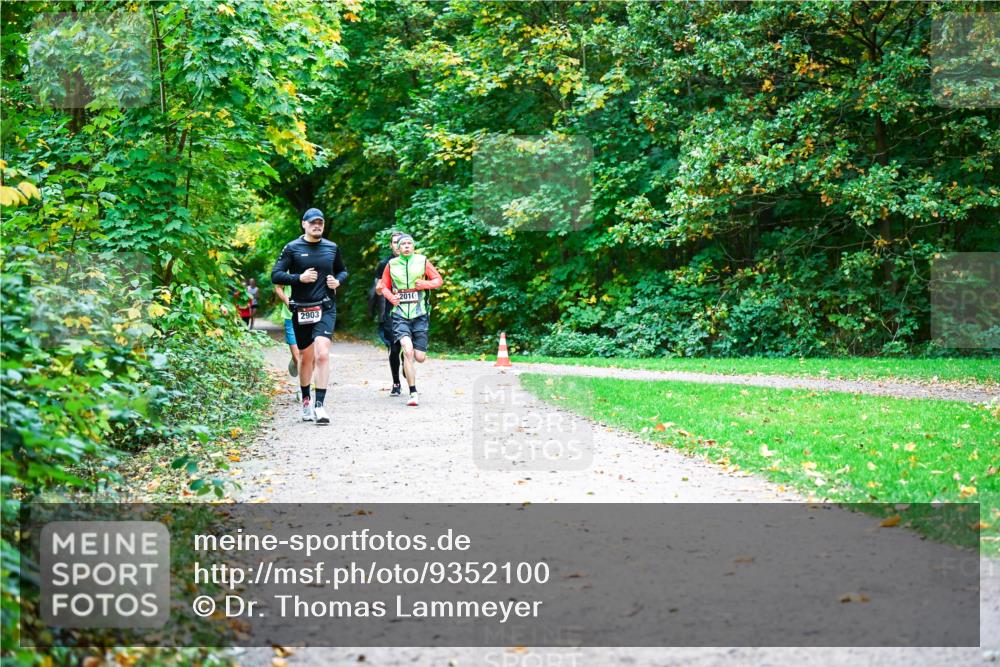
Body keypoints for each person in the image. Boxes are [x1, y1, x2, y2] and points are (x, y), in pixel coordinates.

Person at [271, 207, 348, 425]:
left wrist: (338, 280)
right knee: (306, 358)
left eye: (320, 223)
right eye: (313, 222)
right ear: (303, 224)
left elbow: (342, 270)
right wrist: (299, 278)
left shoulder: (332, 248)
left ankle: (320, 406)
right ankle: (306, 400)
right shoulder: (292, 248)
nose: (317, 226)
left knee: (322, 354)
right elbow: (275, 275)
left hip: (325, 307)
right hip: (302, 309)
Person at [380, 234, 442, 406]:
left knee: (419, 357)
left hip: (420, 314)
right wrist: (391, 297)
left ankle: (409, 366)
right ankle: (413, 393)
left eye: (409, 243)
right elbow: (383, 286)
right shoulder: (391, 264)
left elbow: (438, 280)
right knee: (407, 351)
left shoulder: (422, 261)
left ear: (413, 247)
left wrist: (425, 285)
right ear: (398, 248)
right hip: (400, 314)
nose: (406, 246)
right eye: (403, 244)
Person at [372, 231, 404, 396]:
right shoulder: (383, 264)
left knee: (407, 349)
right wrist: (381, 314)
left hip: (410, 312)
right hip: (391, 312)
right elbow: (378, 291)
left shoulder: (414, 263)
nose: (397, 244)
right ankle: (396, 383)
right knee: (394, 347)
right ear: (391, 245)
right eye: (394, 242)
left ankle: (407, 366)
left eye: (400, 241)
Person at [274, 283, 299, 377]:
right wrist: (289, 304)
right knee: (298, 359)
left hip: (310, 317)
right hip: (290, 316)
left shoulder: (314, 269)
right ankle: (306, 390)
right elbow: (278, 287)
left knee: (308, 357)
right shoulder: (287, 269)